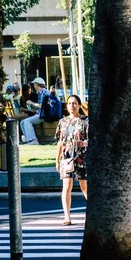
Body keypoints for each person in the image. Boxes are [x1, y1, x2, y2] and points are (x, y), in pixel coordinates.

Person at [55, 95, 89, 225]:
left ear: (79, 105)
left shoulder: (85, 121)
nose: (72, 105)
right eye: (69, 103)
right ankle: (67, 216)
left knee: (84, 186)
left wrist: (84, 143)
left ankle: (91, 214)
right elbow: (60, 142)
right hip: (67, 158)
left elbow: (92, 139)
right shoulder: (63, 122)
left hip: (82, 157)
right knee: (66, 186)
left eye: (75, 103)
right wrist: (57, 159)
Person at [20, 77, 49, 145]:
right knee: (22, 122)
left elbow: (43, 106)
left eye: (34, 84)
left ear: (37, 85)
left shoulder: (43, 92)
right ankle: (28, 140)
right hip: (41, 113)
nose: (33, 86)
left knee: (27, 121)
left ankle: (33, 140)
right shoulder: (41, 92)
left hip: (44, 115)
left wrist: (31, 103)